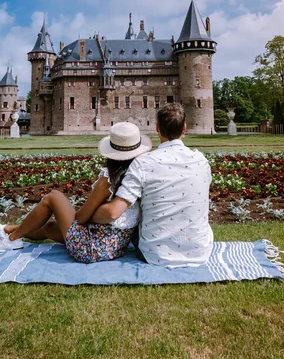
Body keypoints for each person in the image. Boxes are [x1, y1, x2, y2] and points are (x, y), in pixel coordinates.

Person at [0, 122, 152, 264]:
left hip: (91, 247)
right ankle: (6, 230)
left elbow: (81, 218)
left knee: (53, 196)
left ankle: (11, 240)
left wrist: (85, 212)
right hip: (115, 247)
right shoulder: (139, 177)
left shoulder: (107, 181)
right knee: (50, 228)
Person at [91, 103, 213, 267]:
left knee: (131, 215)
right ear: (184, 129)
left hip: (155, 254)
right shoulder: (201, 161)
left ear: (157, 128)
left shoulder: (143, 163)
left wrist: (88, 214)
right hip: (199, 251)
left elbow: (113, 213)